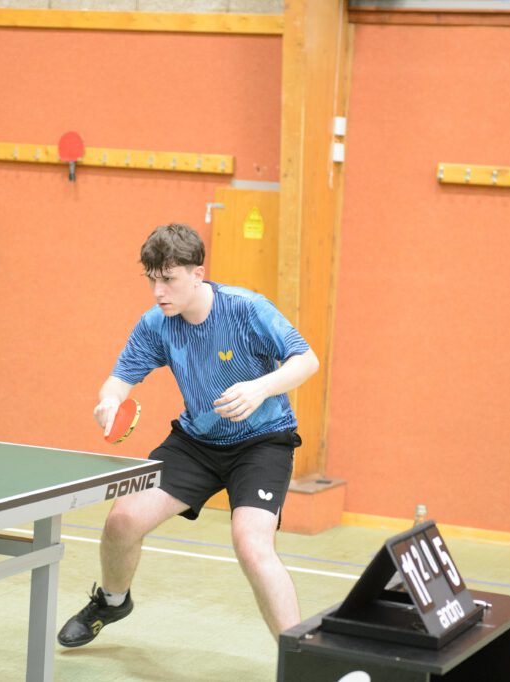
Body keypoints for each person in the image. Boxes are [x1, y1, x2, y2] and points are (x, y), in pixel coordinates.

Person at [57, 223, 319, 648]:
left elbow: (306, 361)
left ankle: (300, 656)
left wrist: (261, 388)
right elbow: (120, 378)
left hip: (262, 442)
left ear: (197, 274)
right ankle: (112, 601)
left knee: (252, 545)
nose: (158, 291)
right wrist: (109, 401)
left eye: (168, 279)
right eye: (152, 280)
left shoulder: (246, 309)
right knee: (123, 520)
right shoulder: (157, 323)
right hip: (196, 443)